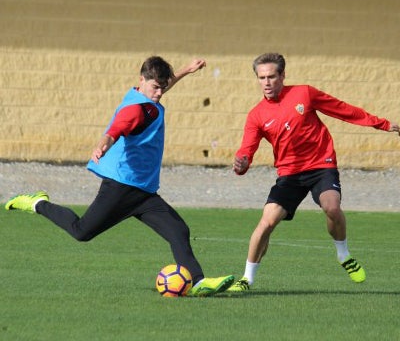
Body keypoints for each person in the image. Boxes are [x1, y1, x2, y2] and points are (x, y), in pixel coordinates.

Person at [5, 56, 234, 296]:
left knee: (178, 230)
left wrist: (187, 69)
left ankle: (197, 282)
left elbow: (163, 85)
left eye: (163, 87)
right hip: (121, 188)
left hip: (144, 193)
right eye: (156, 87)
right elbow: (116, 130)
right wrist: (103, 145)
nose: (159, 93)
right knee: (81, 231)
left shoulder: (144, 97)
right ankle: (38, 203)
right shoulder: (136, 109)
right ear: (141, 80)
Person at [227, 53, 400, 292]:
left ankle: (344, 255)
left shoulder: (304, 94)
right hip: (289, 173)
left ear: (283, 75)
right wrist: (242, 164)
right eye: (261, 78)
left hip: (321, 164)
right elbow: (247, 150)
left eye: (271, 76)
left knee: (332, 207)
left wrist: (380, 123)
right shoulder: (256, 115)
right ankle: (247, 279)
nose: (266, 82)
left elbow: (342, 109)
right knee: (266, 223)